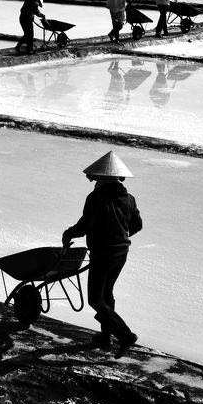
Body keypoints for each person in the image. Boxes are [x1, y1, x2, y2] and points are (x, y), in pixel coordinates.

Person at [62, 151, 142, 359]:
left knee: (96, 300)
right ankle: (105, 337)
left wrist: (68, 234)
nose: (94, 182)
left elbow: (84, 226)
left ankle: (125, 335)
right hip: (121, 253)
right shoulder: (130, 199)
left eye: (96, 179)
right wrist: (119, 237)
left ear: (103, 179)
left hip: (103, 253)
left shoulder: (96, 198)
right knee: (107, 294)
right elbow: (137, 225)